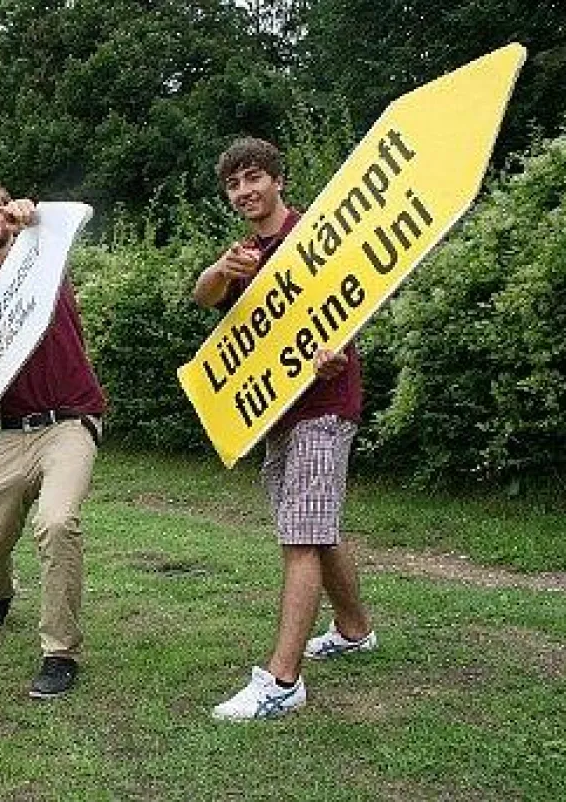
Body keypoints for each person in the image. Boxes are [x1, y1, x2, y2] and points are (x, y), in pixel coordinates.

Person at [192, 137, 377, 720]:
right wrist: (222, 268)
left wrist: (335, 351)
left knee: (299, 536)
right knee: (315, 525)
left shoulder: (314, 237)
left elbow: (351, 299)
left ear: (278, 180)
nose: (245, 191)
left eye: (254, 178)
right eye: (234, 185)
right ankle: (353, 631)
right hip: (276, 411)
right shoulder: (245, 253)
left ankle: (282, 680)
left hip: (325, 407)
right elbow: (203, 298)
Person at [0, 179, 107, 699]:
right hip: (9, 434)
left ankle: (59, 652)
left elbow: (48, 227)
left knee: (57, 523)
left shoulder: (43, 258)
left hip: (70, 423)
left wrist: (31, 217)